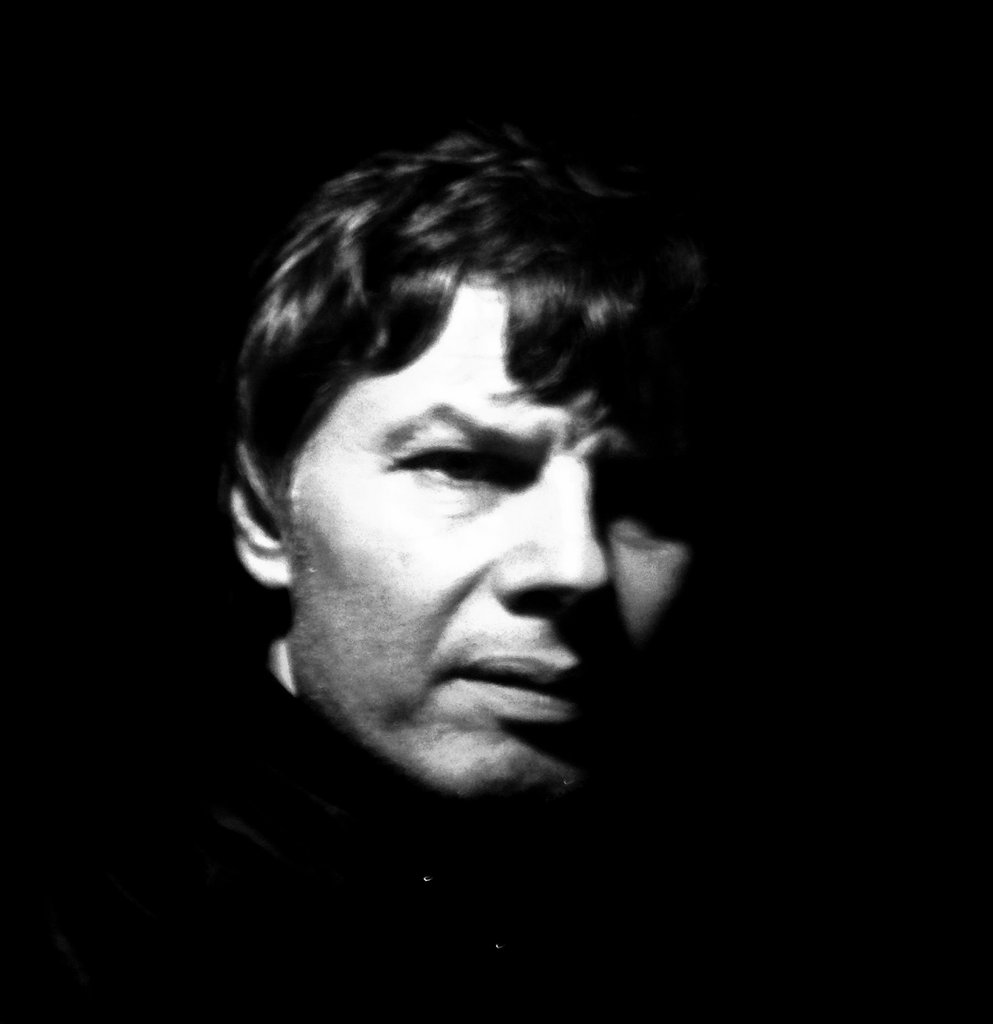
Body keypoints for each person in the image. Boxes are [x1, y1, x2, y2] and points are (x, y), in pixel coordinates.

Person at [43, 123, 709, 1010]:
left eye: (649, 495)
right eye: (463, 466)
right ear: (262, 515)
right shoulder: (107, 947)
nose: (577, 565)